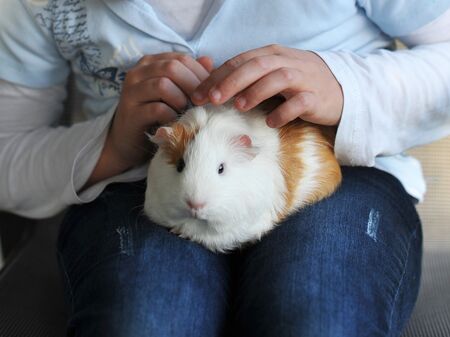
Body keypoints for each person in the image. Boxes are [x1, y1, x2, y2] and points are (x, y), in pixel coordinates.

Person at [1, 0, 449, 336]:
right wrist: (112, 142)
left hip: (344, 174)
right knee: (142, 321)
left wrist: (345, 86)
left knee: (317, 317)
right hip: (133, 187)